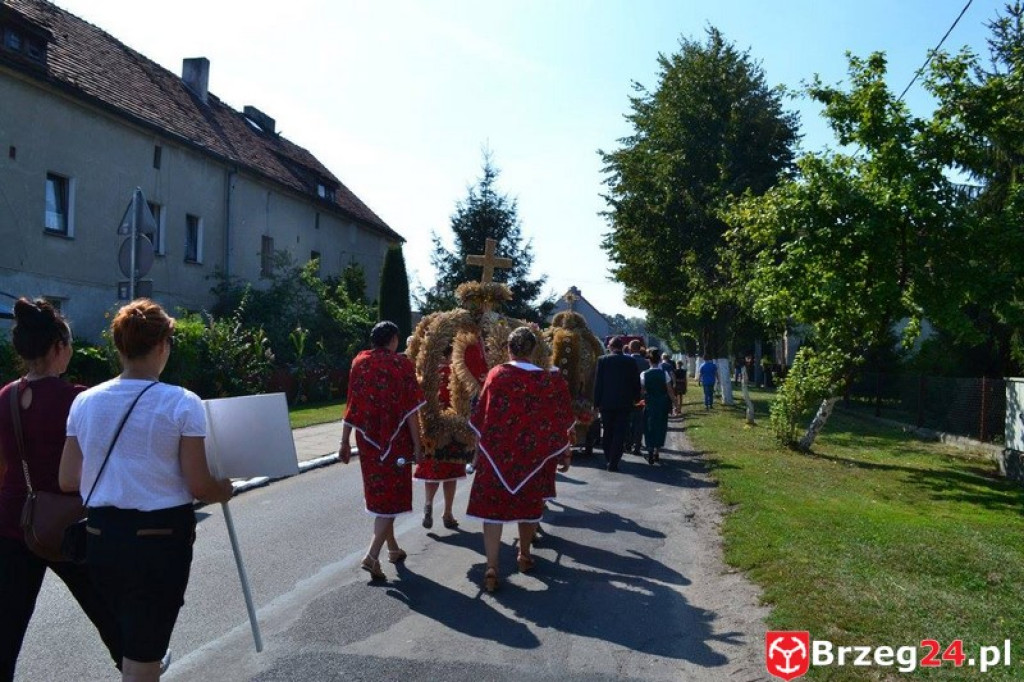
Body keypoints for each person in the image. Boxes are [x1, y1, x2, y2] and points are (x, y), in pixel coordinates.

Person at [58, 299, 233, 682]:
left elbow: (68, 479)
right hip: (159, 541)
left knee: (133, 649)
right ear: (162, 345)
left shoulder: (83, 402)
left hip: (101, 539)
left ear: (120, 347)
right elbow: (199, 484)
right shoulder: (182, 403)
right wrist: (224, 489)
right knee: (142, 657)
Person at [0, 299, 121, 681]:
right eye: (67, 344)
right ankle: (138, 668)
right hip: (69, 525)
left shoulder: (4, 397)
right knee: (107, 609)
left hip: (12, 523)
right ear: (57, 347)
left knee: (6, 627)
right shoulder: (77, 400)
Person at [466, 327, 573, 592]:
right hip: (533, 459)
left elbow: (483, 418)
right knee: (528, 508)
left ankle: (491, 565)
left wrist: (478, 453)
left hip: (496, 456)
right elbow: (559, 420)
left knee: (493, 512)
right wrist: (563, 451)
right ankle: (524, 555)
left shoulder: (497, 375)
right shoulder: (550, 380)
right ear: (534, 350)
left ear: (509, 349)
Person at [339, 321, 425, 582]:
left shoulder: (359, 363)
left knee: (380, 496)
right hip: (397, 441)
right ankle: (372, 554)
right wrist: (419, 445)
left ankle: (393, 549)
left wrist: (344, 442)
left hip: (366, 440)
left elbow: (352, 404)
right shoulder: (401, 365)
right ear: (394, 340)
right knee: (394, 497)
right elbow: (411, 410)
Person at [415, 346, 468, 531]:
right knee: (451, 472)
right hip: (452, 428)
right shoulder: (457, 372)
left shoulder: (429, 373)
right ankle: (447, 512)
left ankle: (428, 503)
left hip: (432, 428)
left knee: (432, 470)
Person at [593, 336, 641, 472]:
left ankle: (609, 458)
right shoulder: (630, 361)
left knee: (607, 431)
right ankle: (614, 461)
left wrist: (596, 403)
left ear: (610, 346)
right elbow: (635, 382)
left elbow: (598, 384)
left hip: (606, 403)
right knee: (620, 433)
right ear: (621, 347)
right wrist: (636, 399)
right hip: (624, 403)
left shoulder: (603, 360)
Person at [641, 349, 676, 464]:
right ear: (659, 361)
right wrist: (676, 404)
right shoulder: (664, 374)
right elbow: (670, 391)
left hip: (649, 403)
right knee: (660, 426)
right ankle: (657, 451)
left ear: (649, 361)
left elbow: (642, 391)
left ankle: (650, 450)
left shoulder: (644, 374)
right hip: (662, 403)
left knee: (649, 426)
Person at [626, 339, 649, 456]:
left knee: (628, 420)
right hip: (641, 395)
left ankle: (628, 444)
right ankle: (637, 446)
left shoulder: (626, 360)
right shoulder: (646, 362)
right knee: (639, 421)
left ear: (630, 348)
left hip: (627, 395)